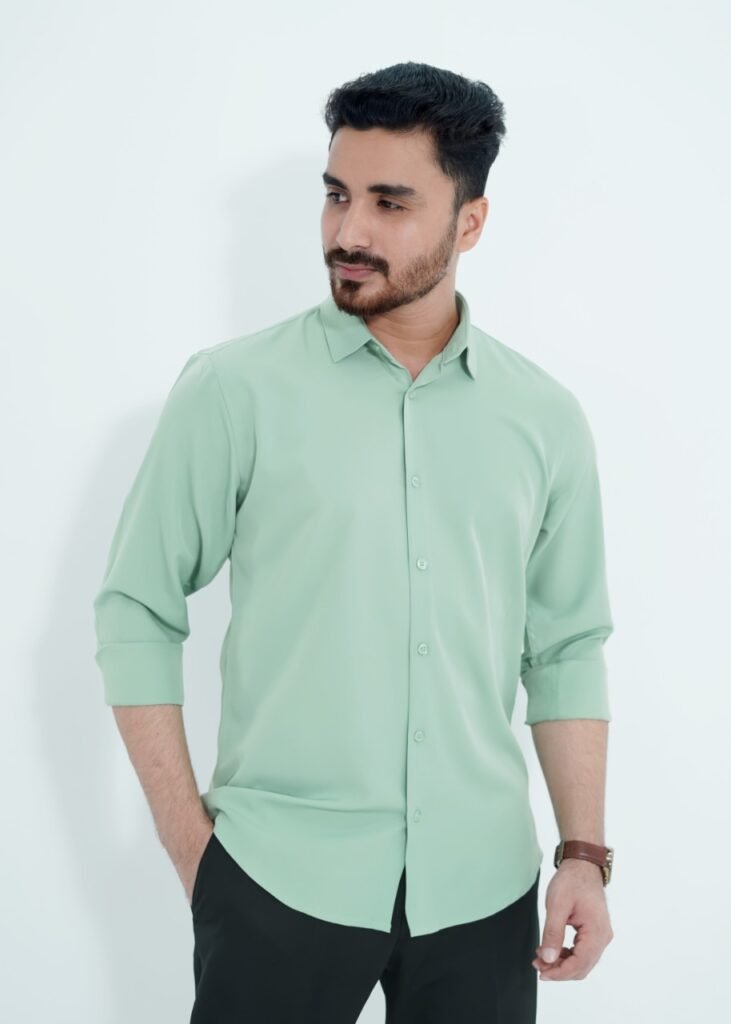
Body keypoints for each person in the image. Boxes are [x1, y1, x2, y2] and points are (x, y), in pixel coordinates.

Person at [93, 61, 616, 1023]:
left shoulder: (543, 419)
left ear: (469, 223)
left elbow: (566, 649)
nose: (347, 233)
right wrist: (192, 849)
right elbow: (135, 611)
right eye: (336, 195)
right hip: (274, 879)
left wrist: (582, 854)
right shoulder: (233, 391)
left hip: (482, 890)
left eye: (389, 203)